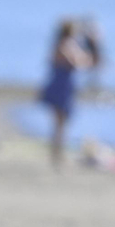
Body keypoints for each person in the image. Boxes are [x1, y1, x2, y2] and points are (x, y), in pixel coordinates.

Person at [39, 19, 90, 168]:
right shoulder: (65, 44)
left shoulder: (62, 44)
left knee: (61, 123)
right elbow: (76, 62)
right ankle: (57, 156)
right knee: (60, 123)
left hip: (63, 85)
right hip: (60, 86)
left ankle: (58, 155)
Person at [79, 17, 106, 98]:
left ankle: (95, 92)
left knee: (95, 75)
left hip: (94, 57)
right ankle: (92, 92)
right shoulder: (87, 36)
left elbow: (96, 49)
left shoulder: (91, 36)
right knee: (92, 75)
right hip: (91, 57)